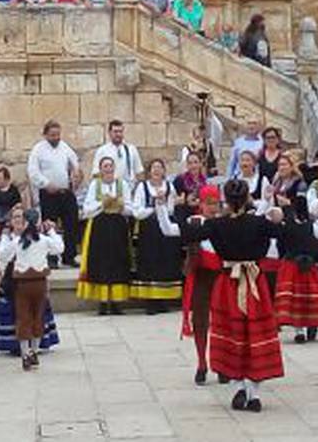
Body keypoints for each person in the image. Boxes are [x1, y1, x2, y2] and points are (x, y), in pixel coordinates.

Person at [163, 178, 285, 412]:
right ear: (248, 198)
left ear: (226, 201)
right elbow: (282, 231)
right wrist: (278, 211)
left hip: (228, 281)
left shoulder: (217, 225)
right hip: (253, 282)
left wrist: (177, 208)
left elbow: (186, 233)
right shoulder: (258, 223)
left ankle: (239, 387)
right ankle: (253, 392)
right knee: (255, 334)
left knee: (232, 332)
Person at [156, 184, 223, 384]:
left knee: (222, 323)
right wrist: (160, 206)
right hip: (201, 276)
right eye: (208, 203)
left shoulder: (225, 222)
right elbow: (168, 230)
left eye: (215, 203)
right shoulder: (193, 222)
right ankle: (202, 362)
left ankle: (221, 365)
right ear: (201, 204)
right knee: (200, 321)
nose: (212, 207)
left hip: (222, 278)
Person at [0, 208, 63, 370]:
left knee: (23, 318)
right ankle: (34, 351)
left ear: (25, 222)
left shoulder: (17, 241)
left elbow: (2, 255)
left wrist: (5, 238)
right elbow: (59, 248)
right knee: (38, 316)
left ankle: (25, 353)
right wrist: (53, 232)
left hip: (22, 284)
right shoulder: (44, 240)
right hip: (40, 283)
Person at [78, 156, 134, 314]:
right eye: (105, 166)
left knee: (118, 261)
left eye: (110, 166)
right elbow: (87, 209)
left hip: (118, 227)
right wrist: (102, 204)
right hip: (100, 228)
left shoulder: (122, 185)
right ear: (100, 169)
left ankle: (117, 302)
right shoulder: (95, 185)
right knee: (100, 262)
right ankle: (102, 302)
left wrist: (122, 205)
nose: (108, 169)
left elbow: (131, 208)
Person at [273, 201, 318, 344]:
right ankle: (307, 327)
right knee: (307, 297)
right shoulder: (312, 225)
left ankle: (301, 330)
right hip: (306, 265)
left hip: (293, 265)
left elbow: (279, 241)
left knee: (296, 299)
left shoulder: (287, 225)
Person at [130, 158, 184, 312]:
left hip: (165, 229)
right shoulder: (142, 187)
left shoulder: (169, 186)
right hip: (149, 229)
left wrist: (165, 205)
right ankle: (150, 301)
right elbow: (137, 211)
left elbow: (172, 208)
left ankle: (162, 299)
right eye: (154, 167)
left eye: (160, 167)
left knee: (165, 262)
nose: (157, 170)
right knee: (150, 262)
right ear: (149, 171)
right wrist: (154, 208)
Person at [27, 120, 82, 267]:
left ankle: (69, 256)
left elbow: (74, 161)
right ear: (45, 135)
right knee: (49, 225)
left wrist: (76, 173)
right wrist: (46, 184)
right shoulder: (38, 149)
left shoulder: (64, 147)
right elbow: (33, 172)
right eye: (52, 135)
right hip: (49, 193)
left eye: (58, 134)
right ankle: (51, 258)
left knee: (71, 223)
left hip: (66, 191)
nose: (56, 137)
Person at [90, 118, 144, 183]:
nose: (118, 134)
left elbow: (139, 171)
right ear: (109, 133)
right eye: (115, 131)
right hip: (110, 189)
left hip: (128, 188)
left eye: (120, 131)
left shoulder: (131, 149)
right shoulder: (102, 151)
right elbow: (96, 173)